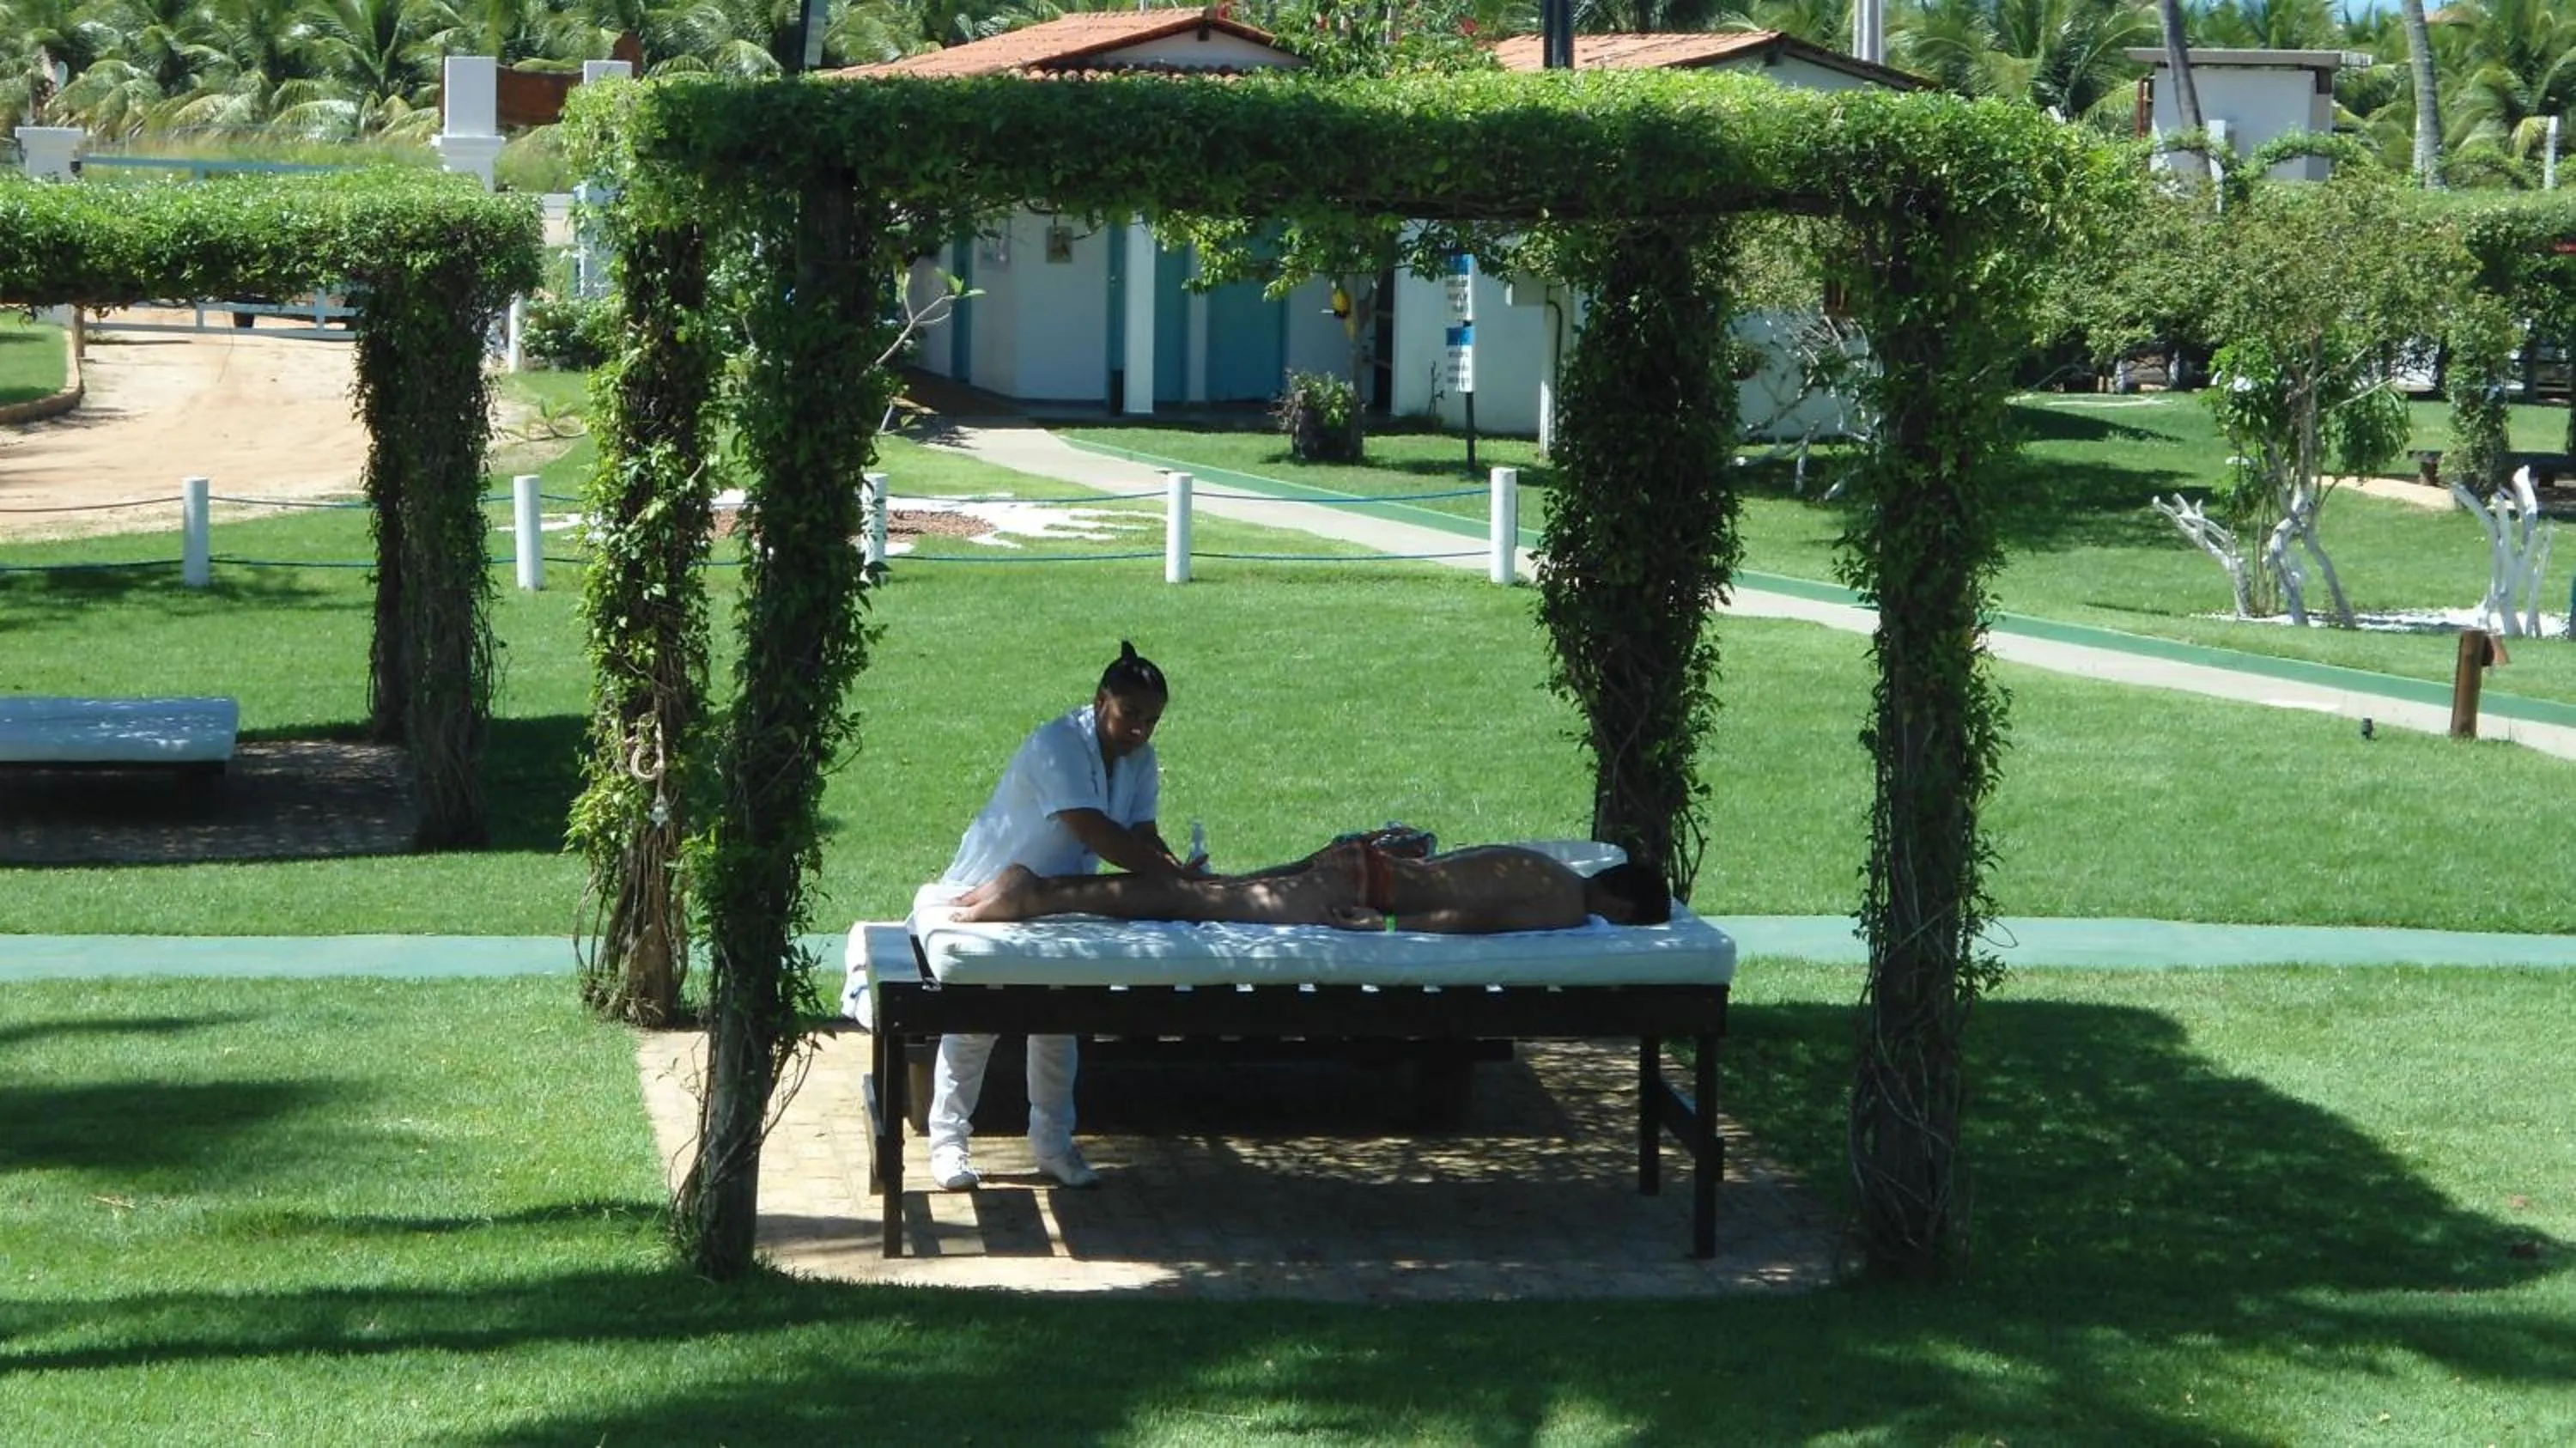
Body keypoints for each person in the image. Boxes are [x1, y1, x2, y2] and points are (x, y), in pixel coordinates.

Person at [927, 642, 1198, 1194]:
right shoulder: (1058, 744)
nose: (1140, 730)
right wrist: (1172, 879)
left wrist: (1177, 870)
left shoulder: (1140, 759)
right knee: (977, 1020)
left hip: (1060, 902)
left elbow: (1141, 832)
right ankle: (948, 1144)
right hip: (987, 895)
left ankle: (1053, 1145)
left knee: (1058, 1022)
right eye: (1131, 714)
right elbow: (1093, 829)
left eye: (1152, 720)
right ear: (1101, 701)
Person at [955, 836, 1674, 934]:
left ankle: (1040, 891)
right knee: (1192, 901)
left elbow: (1464, 871)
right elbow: (1469, 921)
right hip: (1365, 892)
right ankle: (1036, 893)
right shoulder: (1562, 905)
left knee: (1206, 893)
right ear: (1618, 903)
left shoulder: (1544, 865)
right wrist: (1382, 925)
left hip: (1365, 861)